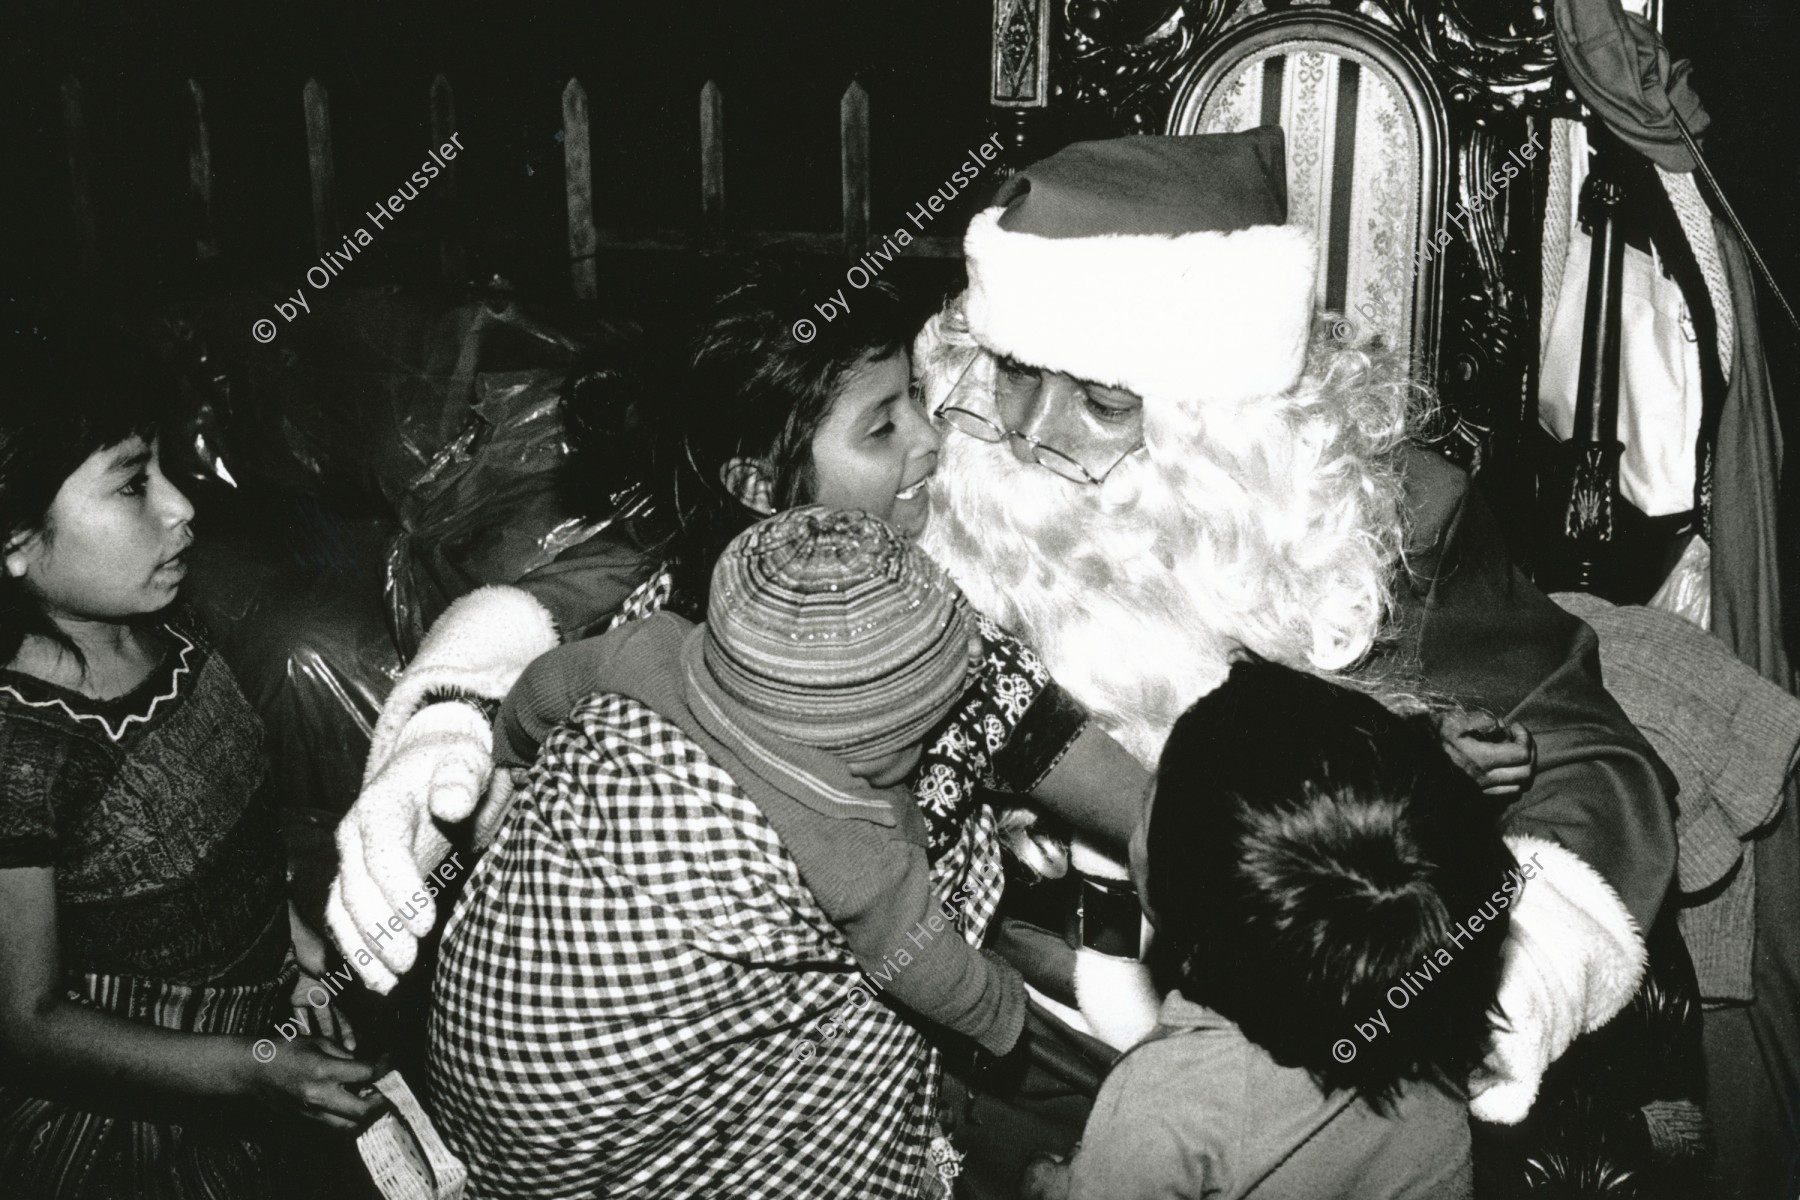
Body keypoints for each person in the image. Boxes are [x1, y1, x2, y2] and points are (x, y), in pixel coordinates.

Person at [911, 130, 1672, 1153]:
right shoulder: (929, 471)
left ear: (1223, 424)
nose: (1029, 431)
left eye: (1101, 401)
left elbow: (1590, 766)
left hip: (1293, 1046)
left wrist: (1477, 987)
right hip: (980, 1003)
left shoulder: (1385, 523)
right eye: (1011, 372)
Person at [433, 506, 1033, 1198]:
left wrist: (511, 757)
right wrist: (1001, 1012)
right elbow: (926, 965)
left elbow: (539, 691)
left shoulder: (650, 648)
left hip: (479, 1050)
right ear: (873, 744)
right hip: (580, 1153)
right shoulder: (854, 845)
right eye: (919, 735)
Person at [0, 322, 385, 1198]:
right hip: (133, 1128)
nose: (182, 507)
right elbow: (24, 1024)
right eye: (135, 485)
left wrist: (290, 945)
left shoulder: (169, 637)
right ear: (13, 538)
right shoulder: (21, 750)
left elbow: (229, 828)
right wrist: (250, 1071)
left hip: (255, 1038)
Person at [1023, 659, 1518, 1200]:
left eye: (1148, 804)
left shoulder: (1164, 1103)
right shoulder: (1427, 1000)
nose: (1136, 812)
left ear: (1172, 911)